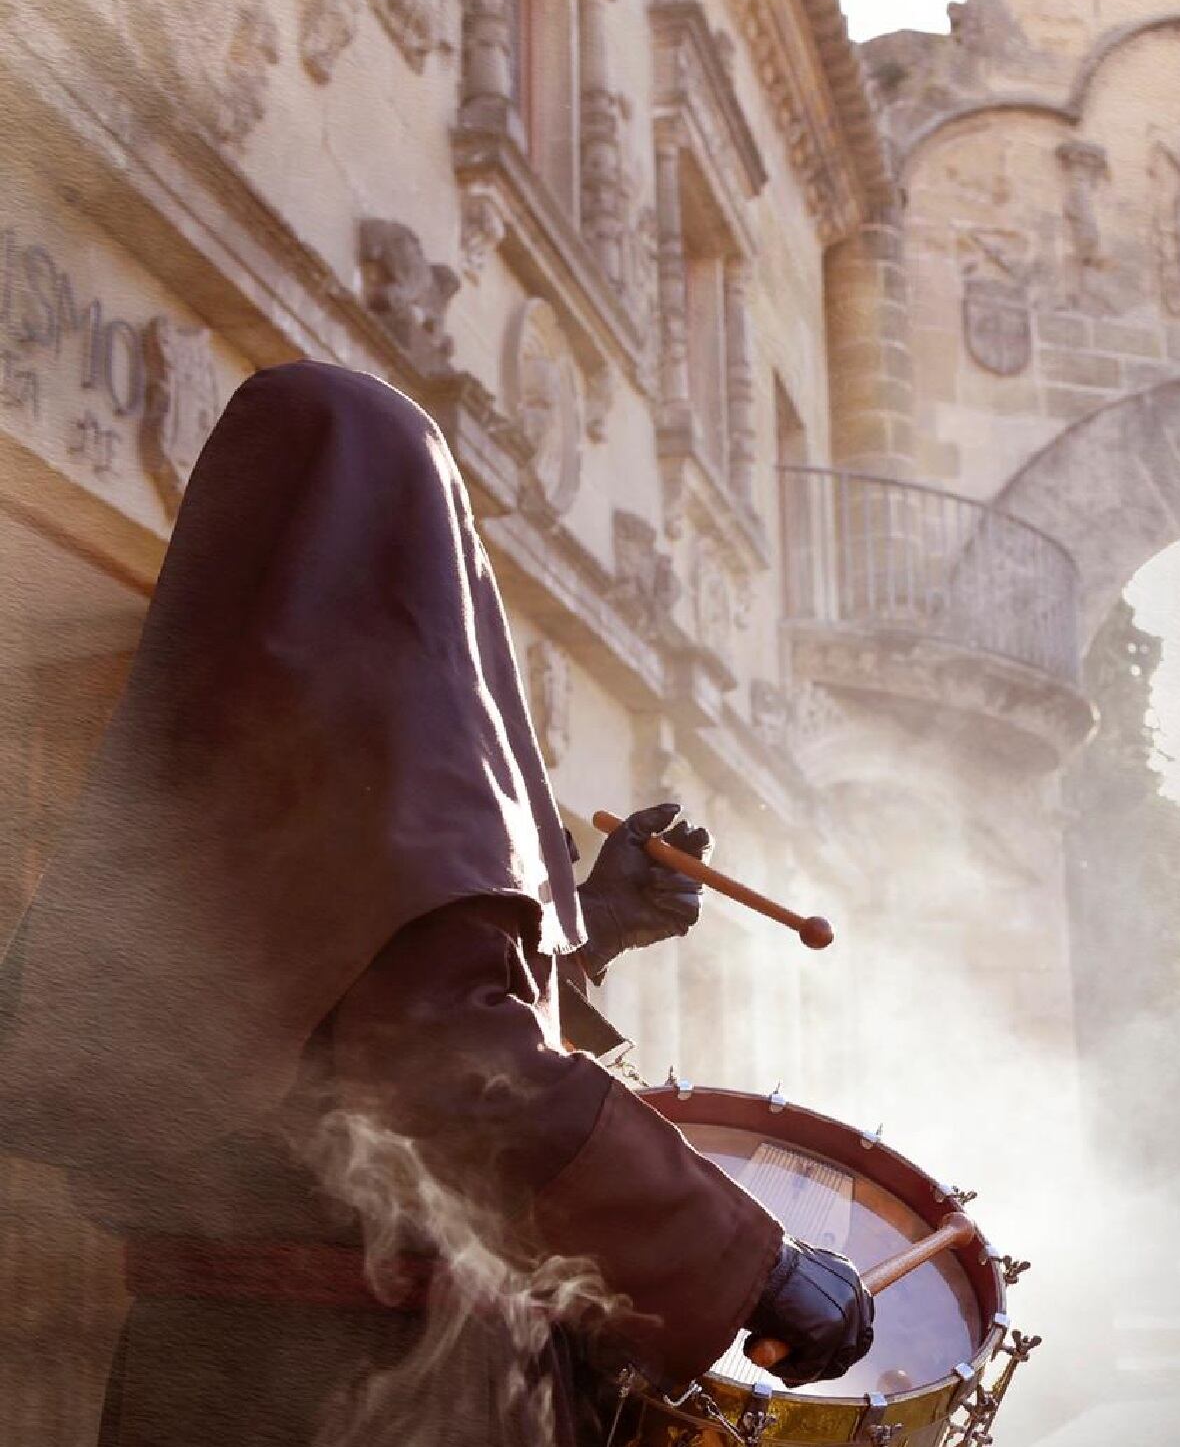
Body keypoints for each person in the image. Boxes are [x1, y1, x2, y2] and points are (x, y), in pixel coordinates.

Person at [0, 361, 873, 1447]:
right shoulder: (392, 732)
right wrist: (754, 1259)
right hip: (368, 1385)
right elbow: (443, 1063)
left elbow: (327, 1003)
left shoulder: (182, 763)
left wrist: (587, 925)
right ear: (424, 540)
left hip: (198, 1365)